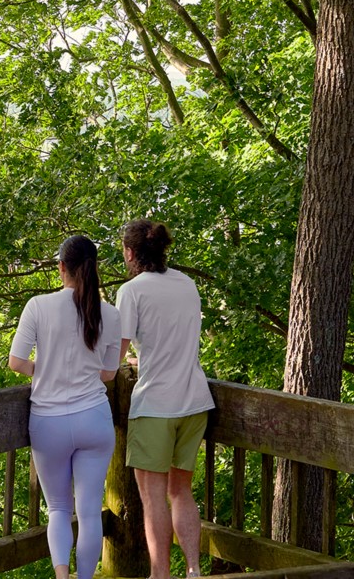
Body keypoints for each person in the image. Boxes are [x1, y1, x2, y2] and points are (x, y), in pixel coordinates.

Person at [9, 235, 121, 579]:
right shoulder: (111, 315)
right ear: (94, 268)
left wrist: (44, 370)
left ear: (61, 267)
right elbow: (109, 373)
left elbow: (16, 361)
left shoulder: (38, 306)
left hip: (49, 423)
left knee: (58, 508)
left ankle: (62, 577)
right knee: (88, 513)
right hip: (94, 420)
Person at [116, 219, 215, 579]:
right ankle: (192, 570)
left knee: (153, 497)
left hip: (156, 405)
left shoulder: (132, 291)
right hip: (194, 400)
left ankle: (160, 575)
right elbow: (176, 342)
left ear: (130, 253)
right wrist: (144, 358)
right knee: (181, 490)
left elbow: (115, 353)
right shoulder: (187, 285)